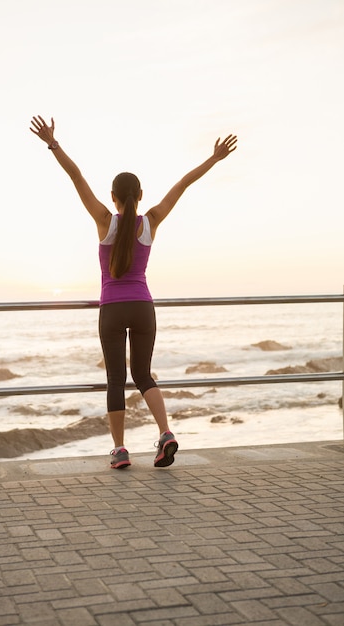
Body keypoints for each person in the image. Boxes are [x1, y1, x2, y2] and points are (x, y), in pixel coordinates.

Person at [30, 115, 237, 469]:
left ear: (113, 198)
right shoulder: (152, 220)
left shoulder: (103, 219)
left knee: (116, 379)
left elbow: (76, 176)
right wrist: (214, 158)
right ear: (140, 196)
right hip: (143, 307)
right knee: (143, 374)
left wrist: (53, 143)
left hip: (112, 309)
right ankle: (165, 432)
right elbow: (184, 183)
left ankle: (121, 450)